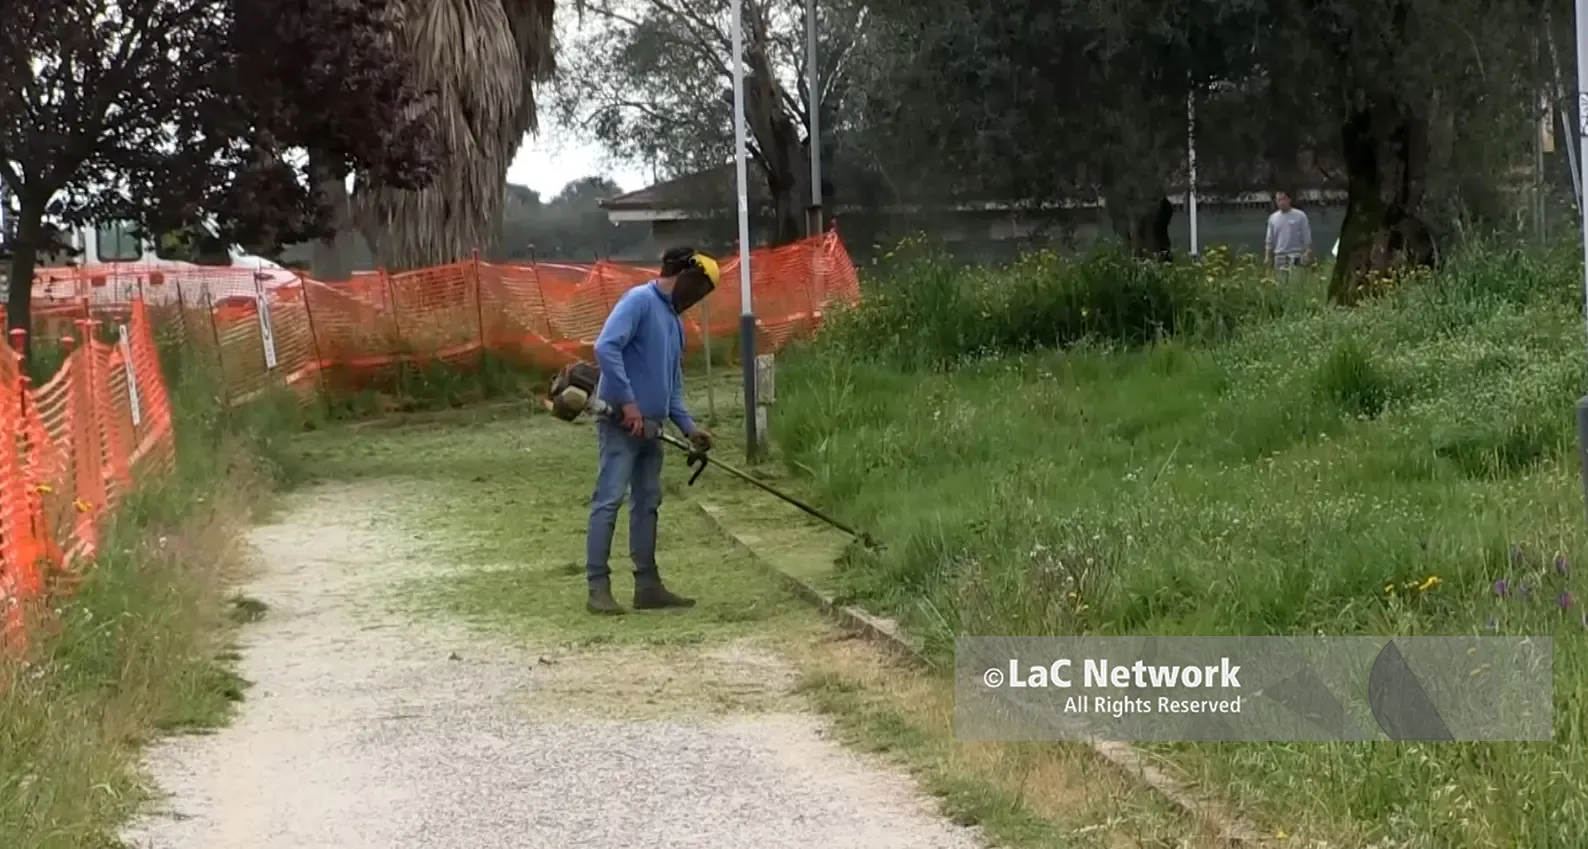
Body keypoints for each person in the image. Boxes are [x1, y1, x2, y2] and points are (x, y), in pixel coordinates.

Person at [583, 246, 718, 615]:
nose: (698, 298)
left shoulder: (674, 322)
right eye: (700, 288)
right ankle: (598, 587)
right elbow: (605, 347)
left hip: (652, 430)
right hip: (620, 425)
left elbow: (671, 386)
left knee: (647, 504)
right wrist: (629, 404)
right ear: (685, 275)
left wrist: (689, 429)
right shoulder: (639, 301)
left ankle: (648, 586)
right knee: (608, 500)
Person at [1263, 191, 1313, 281]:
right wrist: (1268, 257)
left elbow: (1306, 236)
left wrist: (1308, 252)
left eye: (1284, 199)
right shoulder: (1273, 218)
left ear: (1289, 200)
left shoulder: (1300, 216)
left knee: (1296, 284)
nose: (1282, 202)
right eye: (1279, 200)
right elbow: (1269, 240)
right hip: (1279, 256)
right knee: (1280, 285)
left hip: (1296, 255)